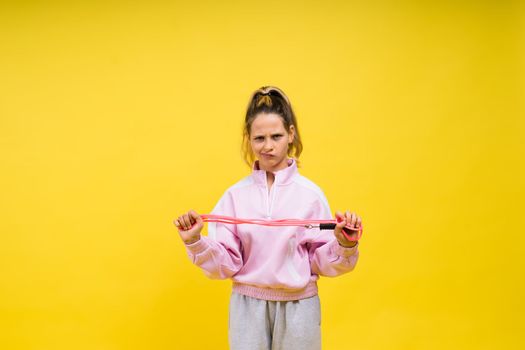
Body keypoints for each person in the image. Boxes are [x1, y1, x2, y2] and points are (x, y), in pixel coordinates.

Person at [174, 86, 362, 350]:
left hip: (300, 308)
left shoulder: (310, 195)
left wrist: (345, 244)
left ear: (291, 135)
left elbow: (323, 262)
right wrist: (196, 241)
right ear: (248, 139)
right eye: (259, 138)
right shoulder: (234, 196)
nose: (268, 146)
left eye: (276, 136)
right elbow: (226, 264)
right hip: (247, 307)